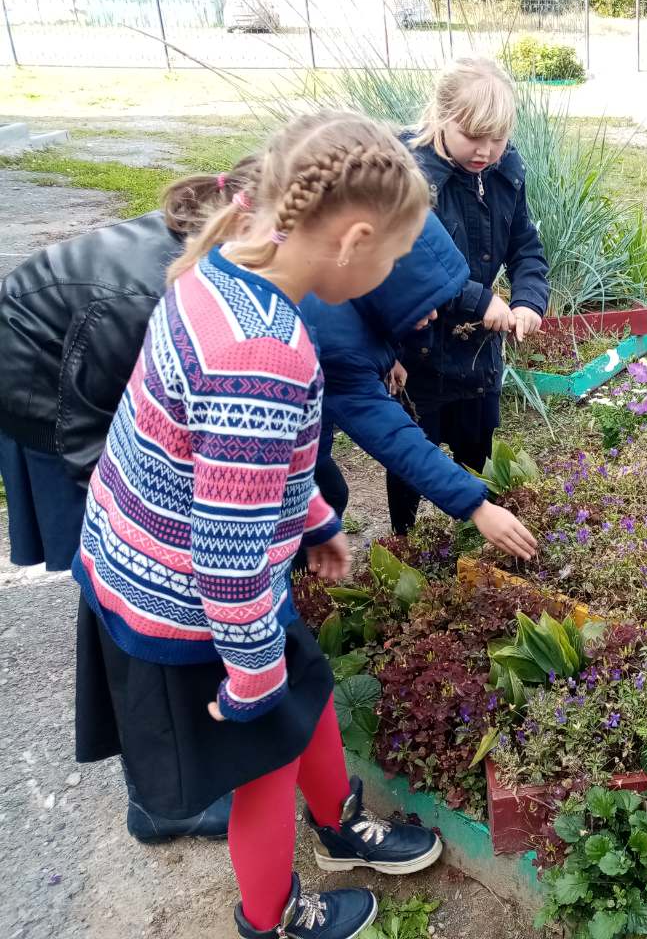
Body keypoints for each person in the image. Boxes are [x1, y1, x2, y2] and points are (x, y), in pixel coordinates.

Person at [72, 110, 439, 939]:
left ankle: (340, 824)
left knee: (309, 689)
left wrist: (315, 520)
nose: (394, 271)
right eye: (396, 254)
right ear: (353, 239)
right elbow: (227, 554)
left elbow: (238, 464)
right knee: (266, 759)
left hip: (167, 560)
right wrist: (250, 681)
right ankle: (272, 919)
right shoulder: (262, 354)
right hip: (191, 602)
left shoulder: (228, 269)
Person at [0, 157, 259, 843]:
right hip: (45, 391)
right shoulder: (151, 298)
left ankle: (171, 754)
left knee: (147, 588)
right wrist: (141, 538)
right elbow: (90, 434)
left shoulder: (224, 269)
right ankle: (160, 803)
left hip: (99, 384)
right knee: (125, 598)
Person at [300, 211, 537, 561]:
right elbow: (393, 437)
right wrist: (478, 507)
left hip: (297, 434)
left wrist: (389, 357)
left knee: (326, 492)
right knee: (311, 498)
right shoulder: (334, 345)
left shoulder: (343, 290)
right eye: (426, 302)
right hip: (258, 461)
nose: (436, 314)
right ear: (388, 287)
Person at [387, 56, 550, 537]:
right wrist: (481, 300)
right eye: (473, 137)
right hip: (418, 348)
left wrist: (528, 300)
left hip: (479, 352)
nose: (485, 151)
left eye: (496, 139)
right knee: (412, 455)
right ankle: (404, 540)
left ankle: (470, 540)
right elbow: (412, 261)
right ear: (441, 117)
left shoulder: (505, 170)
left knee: (477, 448)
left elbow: (525, 246)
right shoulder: (410, 174)